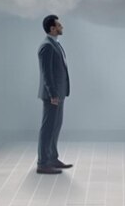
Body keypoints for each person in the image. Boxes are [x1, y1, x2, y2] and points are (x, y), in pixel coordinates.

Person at [36, 15, 72, 174]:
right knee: (48, 128)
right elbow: (46, 73)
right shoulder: (47, 46)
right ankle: (43, 163)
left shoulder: (55, 44)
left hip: (59, 94)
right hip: (53, 95)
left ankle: (52, 158)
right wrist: (52, 94)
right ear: (52, 28)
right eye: (59, 25)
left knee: (56, 127)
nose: (61, 27)